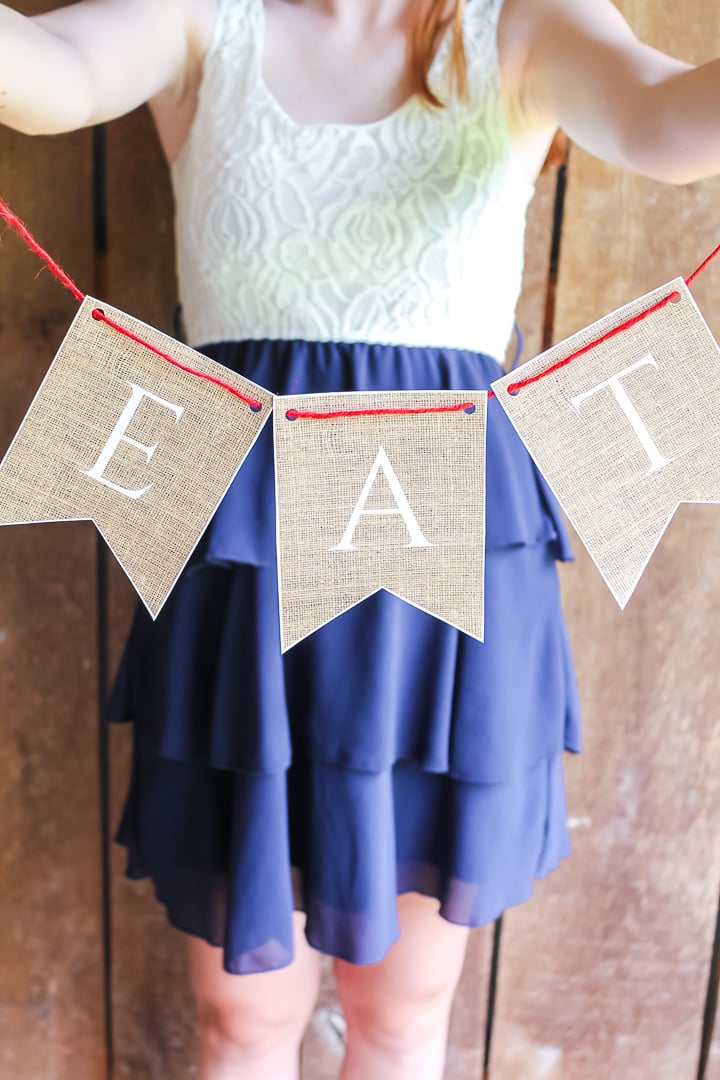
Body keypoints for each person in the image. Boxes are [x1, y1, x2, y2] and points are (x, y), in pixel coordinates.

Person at [1, 1, 718, 1077]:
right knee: (242, 1019)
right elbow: (49, 77)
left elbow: (667, 123)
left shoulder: (521, 21)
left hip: (454, 588)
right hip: (247, 573)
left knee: (403, 1020)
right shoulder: (203, 14)